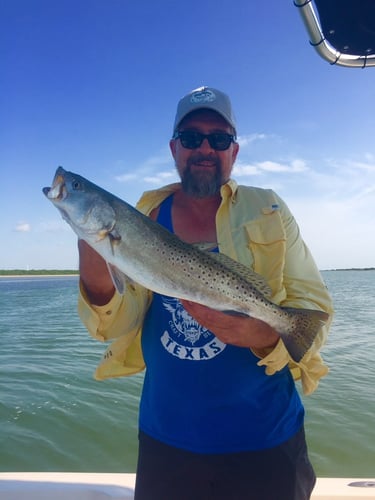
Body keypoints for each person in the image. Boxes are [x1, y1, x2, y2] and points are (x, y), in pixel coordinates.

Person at [78, 86, 333, 500]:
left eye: (219, 139)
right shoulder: (142, 220)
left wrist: (265, 334)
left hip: (266, 440)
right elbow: (114, 326)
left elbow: (314, 310)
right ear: (174, 148)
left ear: (234, 151)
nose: (205, 148)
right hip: (167, 443)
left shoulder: (268, 209)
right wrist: (95, 261)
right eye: (192, 137)